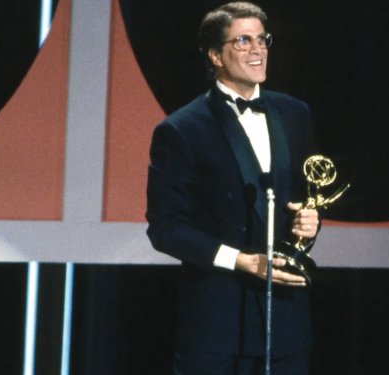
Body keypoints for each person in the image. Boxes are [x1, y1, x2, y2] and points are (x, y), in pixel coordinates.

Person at [145, 2, 320, 374]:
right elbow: (165, 228)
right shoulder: (182, 129)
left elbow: (302, 198)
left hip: (286, 324)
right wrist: (243, 261)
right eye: (243, 41)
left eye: (262, 39)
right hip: (217, 329)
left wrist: (309, 223)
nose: (257, 50)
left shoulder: (295, 114)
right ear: (215, 55)